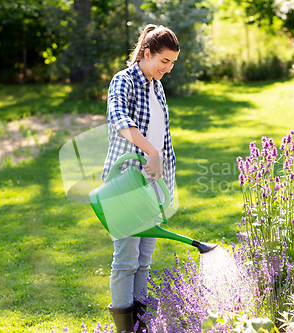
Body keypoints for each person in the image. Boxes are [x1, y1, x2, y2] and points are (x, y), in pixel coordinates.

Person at [101, 24, 179, 333]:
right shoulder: (123, 81)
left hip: (152, 184)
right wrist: (151, 152)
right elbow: (122, 122)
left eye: (172, 62)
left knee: (144, 259)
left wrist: (166, 181)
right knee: (126, 259)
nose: (168, 69)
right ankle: (125, 329)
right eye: (164, 61)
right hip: (126, 180)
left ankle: (141, 325)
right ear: (146, 53)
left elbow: (163, 136)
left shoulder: (156, 84)